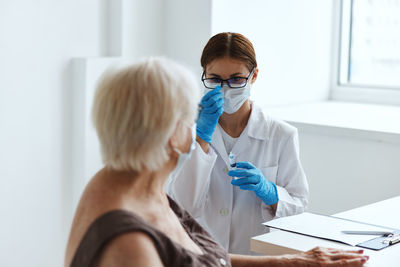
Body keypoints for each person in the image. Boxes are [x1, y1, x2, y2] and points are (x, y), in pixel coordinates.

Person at [64, 57, 368, 267]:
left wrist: (292, 261)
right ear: (172, 134)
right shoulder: (130, 246)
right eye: (190, 119)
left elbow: (198, 256)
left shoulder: (128, 181)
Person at [166, 32, 309, 254]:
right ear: (204, 75)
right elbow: (182, 207)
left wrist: (271, 193)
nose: (225, 88)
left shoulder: (281, 135)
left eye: (236, 79)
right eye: (214, 79)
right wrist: (201, 138)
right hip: (204, 255)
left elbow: (299, 209)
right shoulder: (189, 132)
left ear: (253, 76)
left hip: (256, 257)